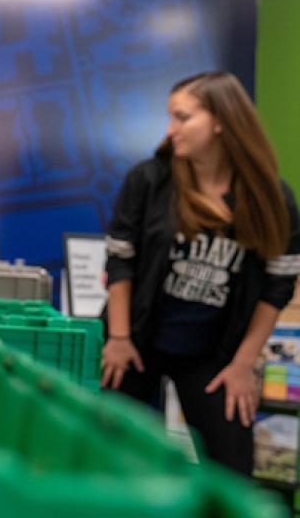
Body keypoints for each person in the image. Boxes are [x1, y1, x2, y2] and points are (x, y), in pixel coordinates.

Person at [99, 71, 299, 475]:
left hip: (212, 355)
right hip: (136, 343)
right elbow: (120, 261)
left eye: (183, 117)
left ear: (221, 121)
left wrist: (244, 363)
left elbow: (277, 288)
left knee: (234, 468)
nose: (171, 129)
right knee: (109, 458)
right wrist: (118, 338)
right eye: (171, 117)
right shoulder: (150, 179)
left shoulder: (270, 197)